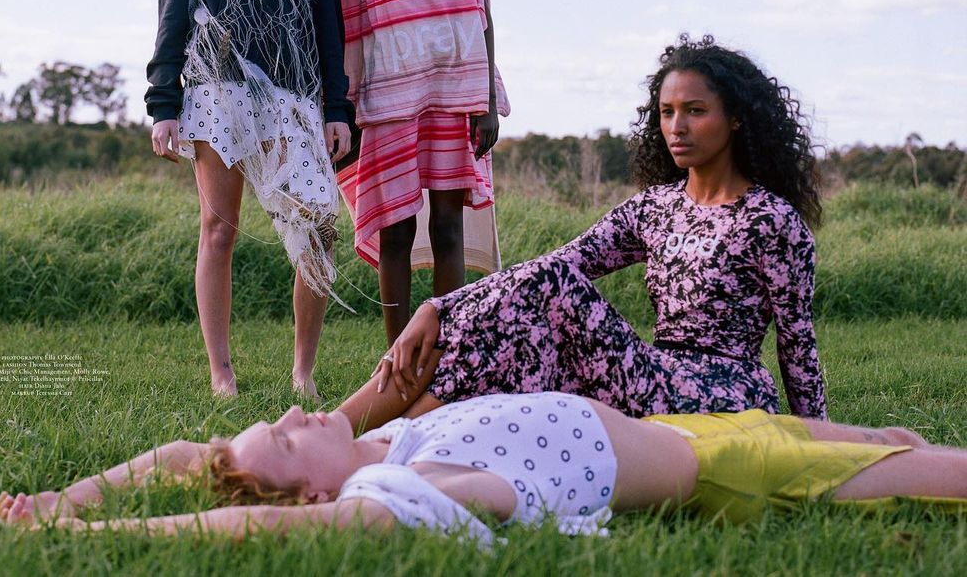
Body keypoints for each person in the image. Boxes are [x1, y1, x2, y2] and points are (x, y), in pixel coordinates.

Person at [342, 35, 828, 427]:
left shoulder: (771, 221)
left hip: (723, 392)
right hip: (651, 372)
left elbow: (797, 346)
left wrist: (823, 443)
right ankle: (353, 434)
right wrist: (438, 309)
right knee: (510, 338)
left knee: (549, 288)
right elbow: (558, 263)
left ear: (736, 118)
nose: (677, 127)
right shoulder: (655, 208)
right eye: (667, 112)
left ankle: (366, 437)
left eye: (695, 111)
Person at [0, 390, 965, 541]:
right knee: (941, 473)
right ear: (315, 487)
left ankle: (878, 444)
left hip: (689, 425)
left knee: (888, 438)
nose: (294, 413)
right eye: (285, 438)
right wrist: (106, 532)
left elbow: (187, 458)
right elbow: (255, 518)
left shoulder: (385, 442)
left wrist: (64, 499)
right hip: (723, 472)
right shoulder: (392, 488)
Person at [145, 0, 353, 399]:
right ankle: (222, 375)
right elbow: (172, 14)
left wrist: (336, 108)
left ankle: (303, 374)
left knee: (317, 227)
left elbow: (328, 22)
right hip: (217, 90)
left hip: (295, 95)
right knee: (218, 230)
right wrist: (163, 105)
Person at [292, 0, 511, 344]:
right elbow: (337, 21)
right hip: (386, 102)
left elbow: (482, 12)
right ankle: (396, 355)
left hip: (455, 96)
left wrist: (486, 100)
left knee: (448, 225)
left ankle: (443, 350)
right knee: (396, 229)